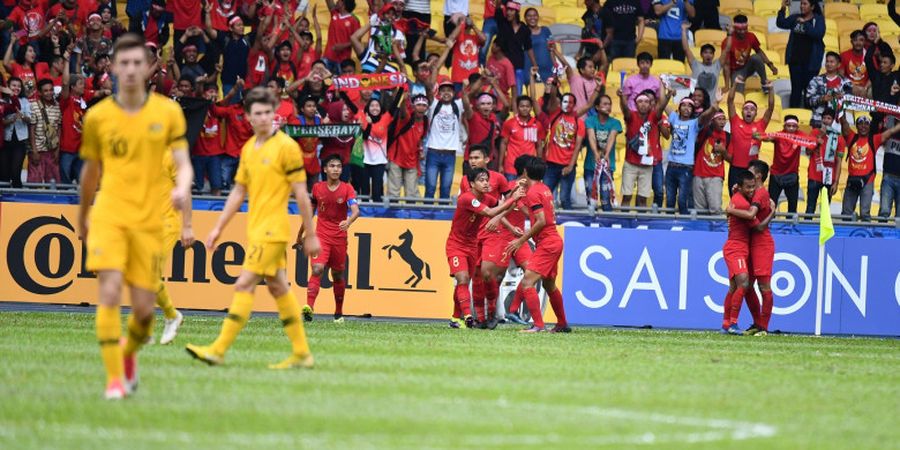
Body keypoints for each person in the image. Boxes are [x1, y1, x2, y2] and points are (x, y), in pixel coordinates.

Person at [78, 34, 194, 399]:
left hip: (150, 221)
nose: (129, 70)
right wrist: (83, 215)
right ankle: (114, 380)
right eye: (123, 63)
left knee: (143, 312)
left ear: (148, 68)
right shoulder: (98, 117)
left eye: (136, 63)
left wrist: (182, 189)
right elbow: (90, 173)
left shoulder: (167, 112)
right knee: (110, 292)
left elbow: (184, 165)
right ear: (113, 68)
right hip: (111, 214)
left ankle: (129, 354)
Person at [186, 86, 320, 369]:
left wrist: (311, 234)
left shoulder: (286, 148)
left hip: (273, 231)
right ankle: (302, 353)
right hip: (257, 229)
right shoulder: (248, 148)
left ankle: (218, 349)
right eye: (257, 113)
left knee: (244, 284)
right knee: (279, 288)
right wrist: (218, 228)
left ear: (274, 115)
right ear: (247, 117)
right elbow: (238, 192)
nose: (263, 118)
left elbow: (302, 195)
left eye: (267, 113)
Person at [446, 167, 524, 328]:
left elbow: (502, 208)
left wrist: (514, 195)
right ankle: (468, 317)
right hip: (456, 245)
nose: (485, 183)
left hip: (472, 245)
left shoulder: (487, 198)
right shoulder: (467, 198)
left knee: (467, 279)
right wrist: (512, 199)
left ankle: (456, 318)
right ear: (472, 184)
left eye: (486, 180)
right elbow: (490, 212)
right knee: (462, 279)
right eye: (481, 180)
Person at [504, 157, 569, 333]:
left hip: (548, 243)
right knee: (549, 286)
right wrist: (518, 202)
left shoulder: (533, 192)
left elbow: (540, 221)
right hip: (553, 241)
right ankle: (562, 324)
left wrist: (521, 240)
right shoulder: (544, 189)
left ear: (525, 172)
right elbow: (535, 214)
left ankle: (538, 325)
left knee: (526, 283)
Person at [300, 154, 360, 323]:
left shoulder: (347, 188)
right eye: (332, 166)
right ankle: (309, 308)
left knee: (338, 275)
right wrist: (300, 234)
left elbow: (355, 211)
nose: (336, 169)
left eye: (339, 166)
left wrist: (348, 221)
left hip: (339, 238)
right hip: (322, 236)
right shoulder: (317, 188)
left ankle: (338, 313)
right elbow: (310, 212)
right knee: (317, 269)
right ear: (325, 169)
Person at [459, 145, 511, 327]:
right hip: (474, 235)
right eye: (470, 158)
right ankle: (481, 318)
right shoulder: (465, 181)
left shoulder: (499, 178)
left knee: (488, 274)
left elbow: (507, 204)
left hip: (492, 232)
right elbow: (470, 206)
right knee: (476, 277)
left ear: (487, 159)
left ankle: (492, 314)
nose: (472, 161)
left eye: (476, 157)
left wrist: (499, 219)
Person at [720, 170, 774, 334]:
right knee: (744, 282)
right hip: (736, 247)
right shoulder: (743, 204)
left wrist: (730, 207)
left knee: (735, 286)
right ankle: (733, 324)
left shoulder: (739, 197)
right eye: (748, 187)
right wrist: (772, 213)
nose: (752, 190)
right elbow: (757, 225)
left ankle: (727, 323)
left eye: (753, 186)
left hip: (742, 247)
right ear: (741, 187)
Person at [839, 115, 900, 220]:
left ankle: (865, 236)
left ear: (870, 126)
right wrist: (840, 108)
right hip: (852, 180)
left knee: (865, 215)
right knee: (846, 213)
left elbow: (891, 131)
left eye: (866, 124)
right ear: (856, 126)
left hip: (868, 181)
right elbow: (844, 124)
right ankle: (845, 236)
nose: (863, 126)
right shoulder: (851, 137)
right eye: (860, 124)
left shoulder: (874, 139)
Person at [618, 88, 671, 207]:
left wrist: (667, 96)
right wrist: (622, 98)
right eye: (640, 101)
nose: (643, 104)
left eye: (646, 102)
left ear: (650, 104)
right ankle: (625, 222)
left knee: (643, 198)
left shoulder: (654, 116)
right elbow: (625, 109)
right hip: (631, 163)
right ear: (636, 105)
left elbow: (661, 108)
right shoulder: (631, 116)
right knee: (627, 196)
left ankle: (641, 223)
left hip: (647, 165)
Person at [666, 96, 715, 214]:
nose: (686, 108)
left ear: (693, 110)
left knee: (683, 201)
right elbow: (664, 105)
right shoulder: (674, 118)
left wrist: (715, 105)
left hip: (685, 168)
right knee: (669, 200)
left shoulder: (694, 124)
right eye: (684, 105)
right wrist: (667, 91)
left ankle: (683, 227)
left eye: (690, 106)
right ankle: (668, 226)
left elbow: (704, 116)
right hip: (671, 166)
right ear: (680, 108)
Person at [725, 76, 775, 192]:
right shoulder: (735, 122)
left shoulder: (760, 125)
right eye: (746, 108)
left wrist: (771, 89)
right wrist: (735, 84)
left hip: (752, 170)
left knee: (750, 201)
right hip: (735, 168)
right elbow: (730, 101)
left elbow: (771, 108)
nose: (749, 111)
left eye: (752, 109)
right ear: (742, 112)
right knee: (735, 199)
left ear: (756, 113)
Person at [776, 0, 825, 108]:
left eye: (805, 4)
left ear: (812, 7)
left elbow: (818, 34)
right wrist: (783, 8)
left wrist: (805, 23)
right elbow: (781, 23)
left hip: (811, 63)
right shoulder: (795, 18)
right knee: (796, 90)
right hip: (795, 61)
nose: (802, 6)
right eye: (801, 4)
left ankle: (808, 118)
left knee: (809, 92)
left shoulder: (818, 19)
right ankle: (792, 116)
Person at [542, 93, 587, 210]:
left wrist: (571, 166)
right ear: (560, 104)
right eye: (565, 101)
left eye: (570, 102)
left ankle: (569, 225)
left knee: (564, 198)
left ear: (574, 105)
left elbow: (578, 146)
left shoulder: (579, 122)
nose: (567, 104)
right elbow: (552, 97)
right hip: (551, 165)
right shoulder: (554, 115)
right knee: (544, 196)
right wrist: (554, 84)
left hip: (567, 166)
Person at [756, 115, 808, 213]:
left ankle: (791, 228)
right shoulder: (779, 135)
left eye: (794, 126)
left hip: (792, 175)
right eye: (789, 126)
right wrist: (758, 136)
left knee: (792, 207)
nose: (791, 128)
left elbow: (812, 142)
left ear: (797, 127)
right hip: (776, 175)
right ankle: (769, 226)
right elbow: (766, 138)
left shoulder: (800, 136)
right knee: (770, 205)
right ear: (784, 126)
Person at [425, 81, 463, 199]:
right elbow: (428, 87)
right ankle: (428, 216)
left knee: (446, 188)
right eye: (443, 90)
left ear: (454, 93)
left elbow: (469, 94)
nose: (446, 93)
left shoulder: (458, 105)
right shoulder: (434, 104)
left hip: (450, 155)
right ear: (439, 93)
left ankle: (442, 214)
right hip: (433, 153)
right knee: (430, 187)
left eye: (449, 90)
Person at [494, 0, 539, 96]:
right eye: (508, 10)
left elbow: (529, 47)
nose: (509, 12)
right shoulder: (503, 23)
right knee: (500, 93)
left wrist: (535, 64)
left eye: (512, 10)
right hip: (503, 65)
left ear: (517, 12)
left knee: (518, 94)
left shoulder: (524, 29)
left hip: (518, 64)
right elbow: (498, 8)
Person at [387, 94, 428, 198]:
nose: (421, 107)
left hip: (412, 160)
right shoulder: (407, 118)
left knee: (412, 194)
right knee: (394, 192)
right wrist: (403, 101)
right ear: (413, 107)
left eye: (424, 105)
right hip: (396, 158)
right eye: (418, 105)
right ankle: (392, 214)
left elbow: (420, 139)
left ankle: (410, 214)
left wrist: (421, 150)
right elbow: (403, 111)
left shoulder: (426, 122)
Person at [586, 95, 623, 211]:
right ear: (597, 107)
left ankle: (607, 227)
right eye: (605, 104)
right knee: (590, 200)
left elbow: (612, 137)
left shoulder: (615, 122)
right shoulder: (590, 121)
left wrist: (606, 155)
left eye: (609, 104)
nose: (608, 107)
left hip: (607, 167)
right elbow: (591, 137)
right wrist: (596, 153)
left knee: (606, 199)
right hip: (590, 166)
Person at [722, 15, 777, 93]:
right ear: (735, 29)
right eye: (740, 30)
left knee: (756, 57)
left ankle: (764, 84)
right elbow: (726, 65)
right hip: (735, 71)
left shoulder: (751, 36)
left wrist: (770, 65)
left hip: (748, 66)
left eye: (745, 29)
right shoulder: (727, 42)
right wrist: (727, 85)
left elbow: (759, 51)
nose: (743, 32)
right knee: (738, 94)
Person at [806, 108, 844, 215]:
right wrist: (819, 137)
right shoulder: (814, 133)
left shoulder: (839, 138)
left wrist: (836, 182)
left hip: (828, 177)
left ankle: (823, 231)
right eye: (824, 118)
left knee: (825, 210)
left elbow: (839, 162)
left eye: (829, 118)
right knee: (810, 207)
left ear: (833, 121)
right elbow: (808, 152)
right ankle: (807, 231)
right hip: (814, 175)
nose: (826, 121)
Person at [499, 95, 546, 181]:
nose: (525, 109)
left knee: (528, 193)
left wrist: (539, 165)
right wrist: (500, 165)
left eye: (527, 106)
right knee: (512, 193)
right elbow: (503, 143)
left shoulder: (537, 125)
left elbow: (539, 146)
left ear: (531, 108)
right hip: (511, 166)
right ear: (517, 107)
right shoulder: (509, 123)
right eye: (522, 106)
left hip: (530, 168)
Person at [692, 110, 728, 213]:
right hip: (698, 175)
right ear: (712, 121)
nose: (722, 122)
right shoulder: (704, 132)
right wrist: (714, 106)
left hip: (716, 177)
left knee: (716, 209)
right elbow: (702, 120)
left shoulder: (728, 137)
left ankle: (716, 229)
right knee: (699, 211)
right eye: (719, 119)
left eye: (723, 119)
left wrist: (723, 151)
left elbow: (731, 159)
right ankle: (701, 229)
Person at [59, 64, 89, 185]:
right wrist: (67, 60)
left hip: (81, 148)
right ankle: (64, 203)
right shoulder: (66, 101)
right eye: (80, 84)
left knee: (82, 180)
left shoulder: (83, 103)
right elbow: (65, 83)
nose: (84, 86)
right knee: (65, 181)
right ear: (73, 87)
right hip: (68, 148)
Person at [28, 79, 62, 184]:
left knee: (53, 183)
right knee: (34, 182)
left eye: (51, 90)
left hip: (52, 151)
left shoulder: (58, 106)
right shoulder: (34, 106)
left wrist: (57, 150)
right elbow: (31, 130)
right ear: (40, 93)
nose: (49, 93)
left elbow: (59, 129)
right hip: (37, 151)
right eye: (46, 91)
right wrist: (34, 151)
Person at [805, 52, 851, 128]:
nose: (829, 64)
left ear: (838, 64)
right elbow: (808, 101)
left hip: (838, 122)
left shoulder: (846, 83)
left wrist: (842, 99)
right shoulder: (816, 80)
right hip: (818, 121)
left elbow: (850, 103)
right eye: (827, 61)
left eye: (832, 62)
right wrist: (821, 99)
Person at [682, 22, 726, 96]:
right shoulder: (695, 65)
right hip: (697, 103)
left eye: (710, 53)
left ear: (713, 55)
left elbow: (726, 50)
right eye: (705, 52)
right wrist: (683, 30)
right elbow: (686, 49)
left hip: (711, 105)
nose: (708, 55)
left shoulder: (717, 66)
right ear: (701, 54)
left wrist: (730, 34)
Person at [1, 78, 31, 188]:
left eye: (18, 86)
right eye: (13, 85)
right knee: (3, 174)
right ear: (7, 86)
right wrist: (9, 121)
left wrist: (22, 116)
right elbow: (1, 121)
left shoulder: (25, 101)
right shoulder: (3, 100)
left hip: (20, 142)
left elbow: (30, 119)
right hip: (5, 141)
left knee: (15, 173)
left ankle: (17, 200)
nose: (16, 88)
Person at [523, 8, 554, 83]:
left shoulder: (546, 30)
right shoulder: (522, 32)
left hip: (547, 69)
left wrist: (555, 66)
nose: (532, 18)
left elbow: (552, 49)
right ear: (525, 18)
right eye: (529, 16)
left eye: (534, 15)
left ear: (538, 17)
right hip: (530, 70)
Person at [840, 30, 870, 97]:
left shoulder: (869, 56)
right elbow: (840, 75)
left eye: (861, 40)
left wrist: (865, 88)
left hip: (865, 88)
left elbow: (873, 77)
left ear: (865, 42)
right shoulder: (844, 55)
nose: (858, 43)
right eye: (855, 40)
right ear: (851, 42)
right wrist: (852, 86)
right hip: (848, 86)